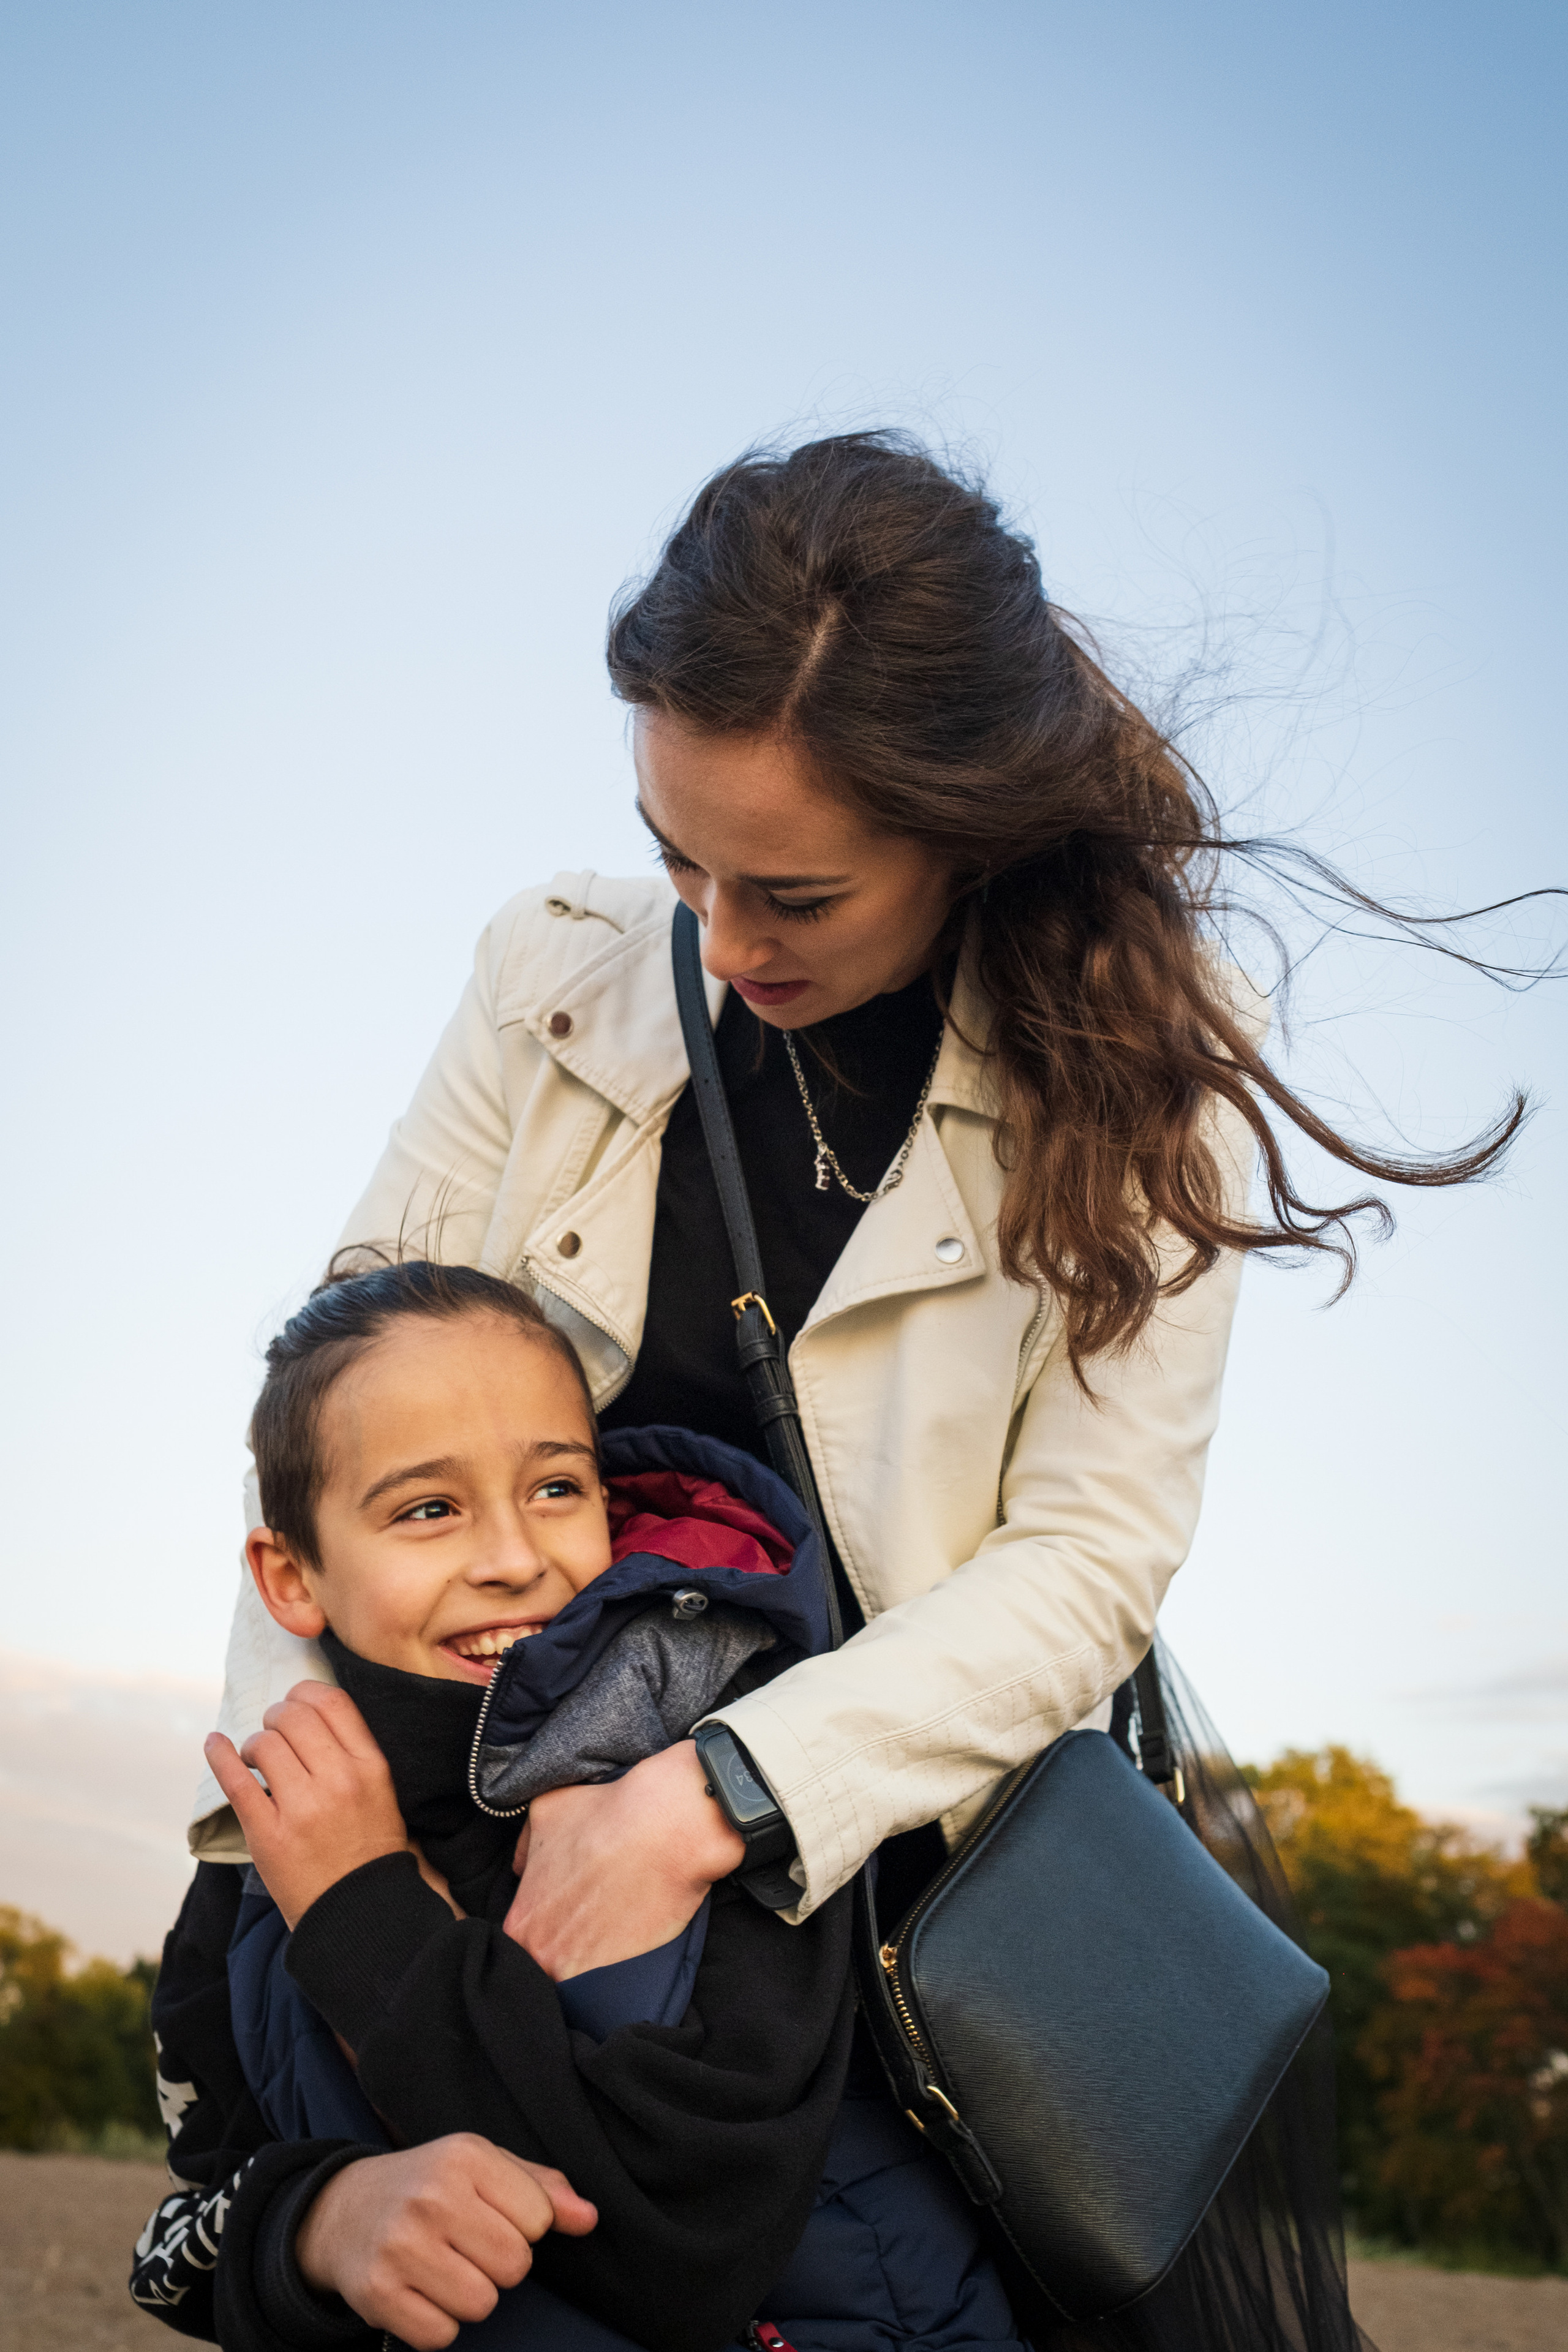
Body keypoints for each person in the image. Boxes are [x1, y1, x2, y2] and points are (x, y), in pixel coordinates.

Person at [175, 431, 1520, 2349]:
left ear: (965, 830)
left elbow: (1086, 1564)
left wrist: (708, 1802)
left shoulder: (1152, 1120)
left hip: (843, 1918)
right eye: (678, 860)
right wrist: (287, 1862)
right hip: (430, 1852)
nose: (719, 942)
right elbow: (333, 1398)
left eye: (794, 892)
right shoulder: (544, 977)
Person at [132, 1257, 1028, 2352]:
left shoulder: (737, 1769)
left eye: (557, 1487)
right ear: (289, 1578)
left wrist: (368, 1915)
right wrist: (320, 2224)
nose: (514, 1558)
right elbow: (177, 2248)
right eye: (428, 1508)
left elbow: (692, 2249)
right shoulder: (258, 1847)